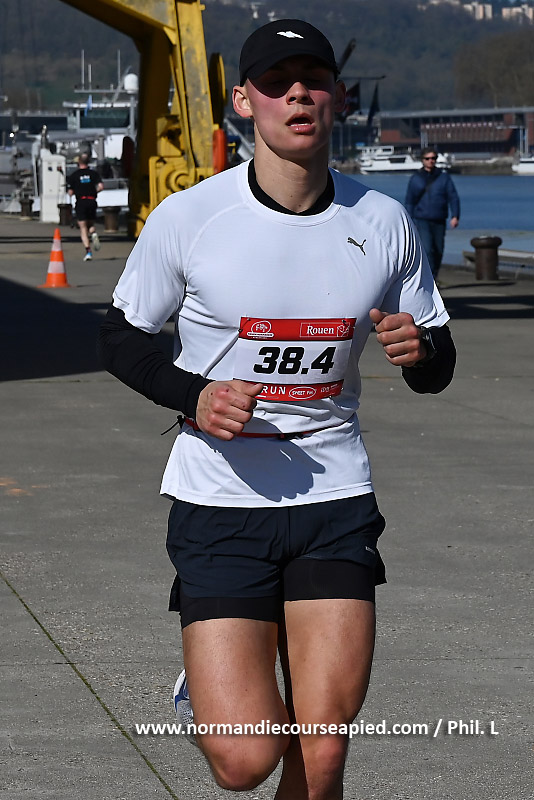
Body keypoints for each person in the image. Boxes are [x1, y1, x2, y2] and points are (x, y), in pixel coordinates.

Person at [98, 18, 456, 800]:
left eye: (314, 81)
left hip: (334, 498)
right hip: (221, 501)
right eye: (277, 83)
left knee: (322, 754)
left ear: (337, 98)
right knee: (246, 762)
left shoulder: (384, 221)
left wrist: (421, 351)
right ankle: (214, 690)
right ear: (243, 102)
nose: (298, 95)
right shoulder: (190, 218)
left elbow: (437, 362)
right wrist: (194, 395)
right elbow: (120, 339)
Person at [404, 147, 460, 284]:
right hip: (422, 219)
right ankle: (431, 280)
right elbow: (409, 201)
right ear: (422, 160)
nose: (431, 161)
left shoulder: (444, 177)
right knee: (427, 250)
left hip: (439, 218)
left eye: (433, 158)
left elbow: (453, 197)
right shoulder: (416, 178)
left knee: (439, 250)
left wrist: (455, 216)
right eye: (428, 158)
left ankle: (434, 275)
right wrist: (410, 221)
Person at [66, 153, 103, 261]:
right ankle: (93, 233)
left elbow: (70, 192)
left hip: (81, 201)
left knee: (83, 227)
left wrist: (75, 191)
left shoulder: (74, 175)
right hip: (92, 201)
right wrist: (94, 192)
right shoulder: (94, 174)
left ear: (79, 162)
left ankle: (88, 251)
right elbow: (101, 186)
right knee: (90, 223)